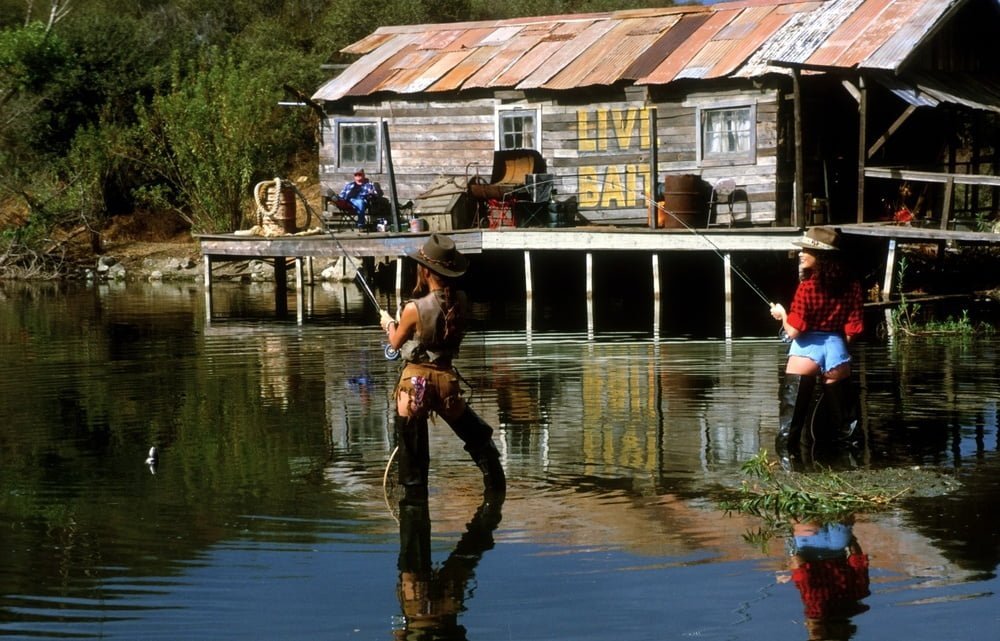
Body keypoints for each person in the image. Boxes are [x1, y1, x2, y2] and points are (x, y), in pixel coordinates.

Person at [380, 233, 506, 503]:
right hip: (447, 383)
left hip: (415, 385)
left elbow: (395, 342)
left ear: (425, 271)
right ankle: (496, 490)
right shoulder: (461, 300)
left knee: (413, 464)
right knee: (477, 437)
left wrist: (389, 323)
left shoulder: (413, 308)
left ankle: (415, 510)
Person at [769, 226, 864, 466]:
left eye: (806, 250)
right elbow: (852, 329)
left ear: (820, 256)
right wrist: (836, 347)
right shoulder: (852, 285)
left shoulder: (807, 286)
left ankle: (790, 469)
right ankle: (854, 468)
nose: (801, 253)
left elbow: (794, 331)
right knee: (849, 433)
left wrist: (782, 314)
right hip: (837, 352)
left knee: (789, 432)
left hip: (806, 352)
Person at [394, 494, 503, 639]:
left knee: (415, 548)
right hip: (426, 615)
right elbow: (399, 634)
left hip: (423, 614)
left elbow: (399, 634)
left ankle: (491, 509)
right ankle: (492, 503)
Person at [782, 517, 870, 641]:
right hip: (811, 546)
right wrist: (791, 546)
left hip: (839, 543)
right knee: (802, 518)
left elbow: (858, 562)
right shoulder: (817, 610)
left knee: (839, 514)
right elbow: (802, 573)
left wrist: (850, 538)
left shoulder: (857, 597)